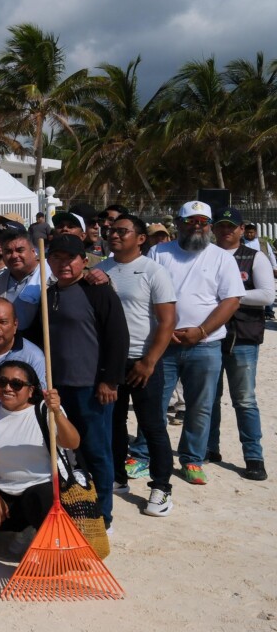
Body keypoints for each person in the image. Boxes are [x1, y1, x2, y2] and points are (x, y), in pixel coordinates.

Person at [136, 200, 244, 486]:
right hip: (164, 342)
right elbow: (146, 294)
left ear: (209, 226)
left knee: (200, 405)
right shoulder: (159, 253)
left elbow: (231, 300)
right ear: (179, 223)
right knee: (154, 401)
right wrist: (163, 328)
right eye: (191, 221)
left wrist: (202, 331)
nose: (197, 226)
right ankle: (143, 455)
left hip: (205, 345)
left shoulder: (222, 257)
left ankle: (192, 459)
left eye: (203, 222)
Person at [26, 234, 127, 527]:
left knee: (96, 451)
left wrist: (110, 381)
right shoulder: (50, 294)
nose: (63, 264)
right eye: (56, 258)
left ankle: (103, 514)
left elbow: (117, 337)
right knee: (65, 452)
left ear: (83, 260)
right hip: (57, 388)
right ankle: (74, 507)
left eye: (70, 258)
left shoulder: (98, 291)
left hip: (91, 387)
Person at [93, 214, 178, 515]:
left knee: (152, 424)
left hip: (143, 361)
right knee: (113, 423)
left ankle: (161, 487)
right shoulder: (99, 269)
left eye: (122, 231)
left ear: (141, 238)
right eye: (111, 230)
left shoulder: (154, 271)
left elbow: (168, 321)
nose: (114, 235)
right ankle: (117, 476)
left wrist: (150, 361)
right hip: (109, 362)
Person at [0, 362, 81, 556]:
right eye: (2, 382)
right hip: (6, 491)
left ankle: (43, 535)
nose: (8, 388)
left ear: (30, 390)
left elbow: (72, 443)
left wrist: (58, 413)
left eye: (16, 384)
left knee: (40, 499)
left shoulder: (45, 411)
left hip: (42, 488)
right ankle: (26, 529)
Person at [208, 207, 272, 480]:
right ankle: (208, 449)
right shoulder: (205, 255)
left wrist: (231, 297)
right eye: (221, 226)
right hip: (209, 336)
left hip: (242, 338)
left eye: (231, 226)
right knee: (207, 399)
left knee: (244, 400)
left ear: (241, 229)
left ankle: (253, 456)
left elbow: (267, 294)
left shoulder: (254, 257)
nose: (226, 231)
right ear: (213, 229)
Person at [0, 230, 46, 327]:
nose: (14, 256)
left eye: (20, 250)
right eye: (8, 252)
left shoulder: (49, 276)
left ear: (33, 252)